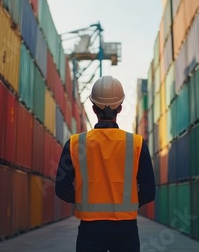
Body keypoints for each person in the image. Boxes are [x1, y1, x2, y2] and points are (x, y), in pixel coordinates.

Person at [55, 75, 156, 252]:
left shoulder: (75, 144)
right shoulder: (137, 144)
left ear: (93, 108)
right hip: (126, 229)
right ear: (120, 107)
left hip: (90, 230)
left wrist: (83, 201)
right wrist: (128, 204)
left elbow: (61, 188)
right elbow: (149, 192)